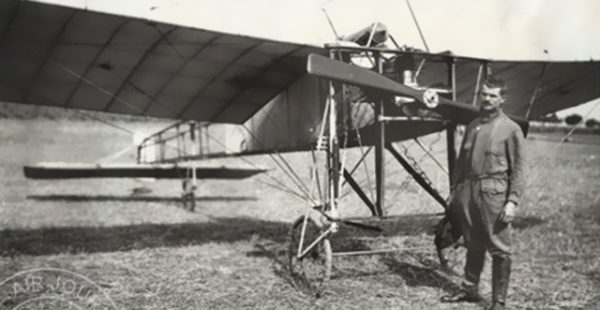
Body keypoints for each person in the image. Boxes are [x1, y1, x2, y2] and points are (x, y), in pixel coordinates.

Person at [440, 77, 527, 310]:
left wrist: (512, 202)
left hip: (494, 194)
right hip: (468, 191)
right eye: (484, 94)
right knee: (473, 243)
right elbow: (461, 162)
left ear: (502, 99)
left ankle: (498, 302)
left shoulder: (511, 129)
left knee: (500, 248)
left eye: (492, 95)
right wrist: (455, 192)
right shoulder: (473, 125)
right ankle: (470, 290)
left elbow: (518, 169)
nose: (487, 99)